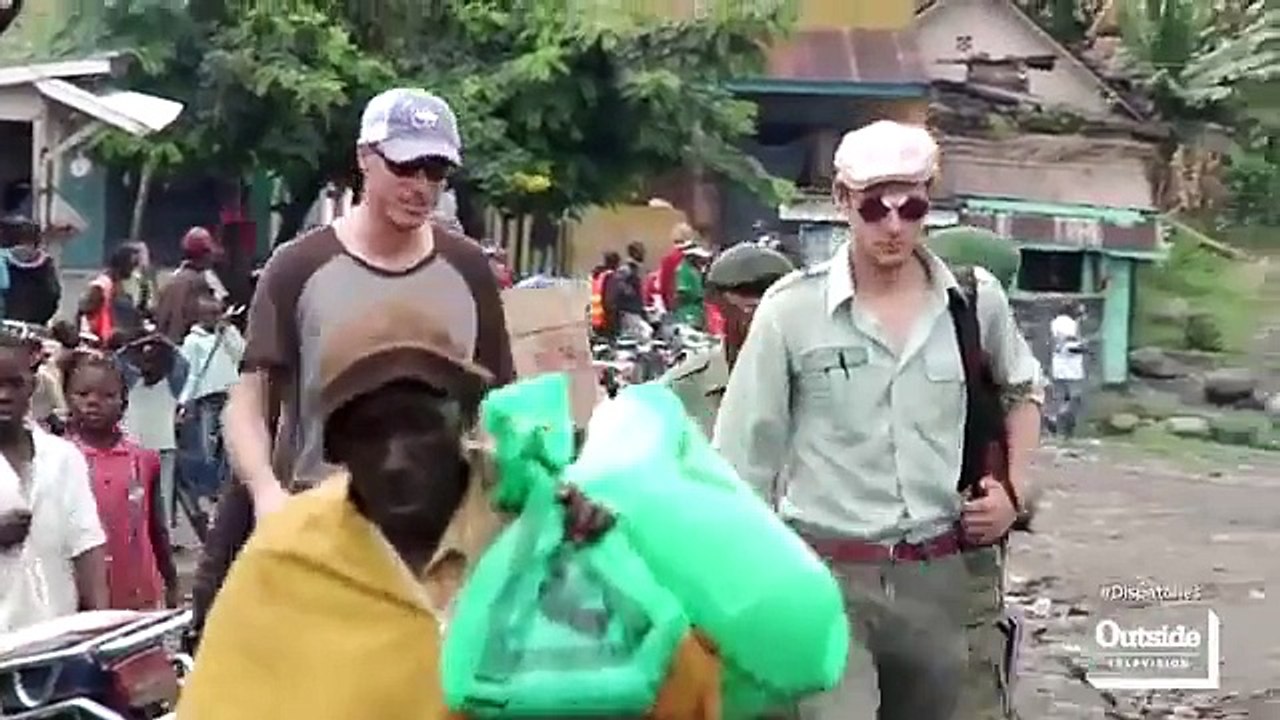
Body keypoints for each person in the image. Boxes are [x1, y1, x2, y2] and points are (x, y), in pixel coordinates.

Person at [177, 304, 720, 719]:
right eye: (368, 433)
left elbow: (682, 687)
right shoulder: (289, 559)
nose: (395, 459)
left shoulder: (550, 527)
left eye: (417, 424)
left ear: (464, 420)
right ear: (335, 449)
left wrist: (616, 557)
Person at [712, 120, 1044, 720]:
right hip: (829, 577)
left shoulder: (973, 299)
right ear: (842, 201)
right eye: (874, 208)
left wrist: (1014, 492)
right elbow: (743, 460)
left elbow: (1023, 391)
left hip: (941, 576)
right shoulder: (791, 312)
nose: (894, 227)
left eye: (911, 207)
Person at [193, 87, 514, 639]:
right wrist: (268, 493)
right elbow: (250, 402)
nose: (421, 187)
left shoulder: (468, 269)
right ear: (366, 157)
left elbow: (499, 402)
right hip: (326, 529)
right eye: (406, 165)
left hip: (443, 547)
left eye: (436, 171)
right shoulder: (298, 267)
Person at [0, 333, 108, 632]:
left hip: (56, 639)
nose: (4, 395)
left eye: (14, 384)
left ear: (33, 386)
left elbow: (87, 547)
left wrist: (101, 632)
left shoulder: (63, 459)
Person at [63, 351, 179, 610]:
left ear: (124, 402)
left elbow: (156, 527)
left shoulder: (143, 459)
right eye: (83, 395)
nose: (94, 402)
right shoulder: (61, 458)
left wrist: (170, 581)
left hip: (138, 591)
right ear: (68, 399)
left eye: (108, 396)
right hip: (80, 596)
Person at [663, 243, 794, 438]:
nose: (759, 306)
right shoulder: (682, 390)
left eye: (771, 293)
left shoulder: (818, 384)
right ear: (716, 299)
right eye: (744, 294)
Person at [177, 295, 244, 507]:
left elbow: (241, 354)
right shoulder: (192, 341)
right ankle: (209, 486)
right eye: (211, 314)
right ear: (200, 316)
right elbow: (191, 372)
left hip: (230, 393)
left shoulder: (226, 334)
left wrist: (228, 334)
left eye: (218, 313)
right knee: (208, 445)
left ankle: (225, 485)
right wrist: (184, 400)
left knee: (229, 444)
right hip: (207, 398)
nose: (216, 318)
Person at [119, 330, 189, 533]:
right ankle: (152, 529)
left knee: (150, 491)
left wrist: (143, 344)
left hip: (149, 446)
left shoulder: (165, 383)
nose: (148, 364)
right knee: (154, 491)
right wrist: (158, 343)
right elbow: (118, 360)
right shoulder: (135, 381)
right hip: (148, 445)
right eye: (145, 359)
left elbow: (120, 357)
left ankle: (151, 529)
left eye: (153, 359)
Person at [153, 229, 219, 342]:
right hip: (190, 350)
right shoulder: (203, 280)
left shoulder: (170, 278)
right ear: (205, 254)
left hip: (166, 348)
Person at [1, 215, 60, 325]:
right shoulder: (46, 263)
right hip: (37, 327)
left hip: (6, 328)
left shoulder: (2, 260)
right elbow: (54, 295)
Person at [80, 244, 142, 344]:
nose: (134, 268)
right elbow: (83, 312)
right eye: (132, 264)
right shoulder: (101, 285)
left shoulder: (119, 284)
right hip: (100, 344)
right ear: (123, 263)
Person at [1048, 304, 1087, 438]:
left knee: (1060, 396)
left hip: (1058, 365)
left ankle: (1055, 419)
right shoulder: (1069, 324)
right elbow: (1070, 344)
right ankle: (1059, 417)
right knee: (1075, 396)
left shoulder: (1054, 322)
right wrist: (1084, 348)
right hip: (1071, 368)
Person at [605, 241, 649, 339]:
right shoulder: (626, 271)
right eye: (640, 252)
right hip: (627, 314)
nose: (643, 255)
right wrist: (628, 292)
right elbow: (618, 292)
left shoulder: (635, 270)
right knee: (645, 335)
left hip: (633, 313)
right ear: (634, 253)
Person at [670, 244, 712, 328]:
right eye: (699, 258)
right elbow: (682, 293)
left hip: (697, 312)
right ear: (692, 257)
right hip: (687, 314)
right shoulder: (684, 270)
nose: (702, 260)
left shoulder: (695, 270)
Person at [658, 222, 696, 312]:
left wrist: (668, 305)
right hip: (695, 307)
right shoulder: (697, 256)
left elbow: (663, 286)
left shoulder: (668, 259)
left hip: (675, 306)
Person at [589, 251, 621, 337]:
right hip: (606, 323)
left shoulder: (598, 276)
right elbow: (609, 302)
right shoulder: (610, 277)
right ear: (615, 264)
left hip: (596, 320)